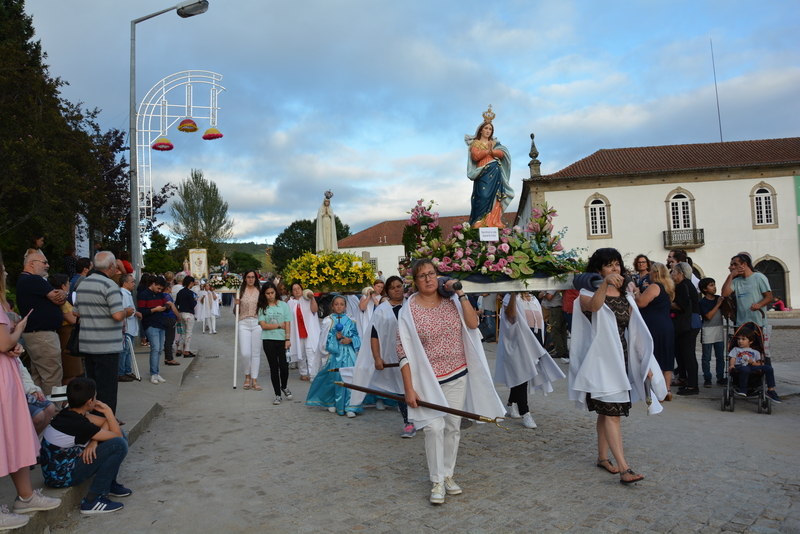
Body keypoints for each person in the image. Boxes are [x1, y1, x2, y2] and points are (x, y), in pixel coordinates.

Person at [396, 259, 504, 504]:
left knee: (453, 427)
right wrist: (409, 388)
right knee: (434, 428)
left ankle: (448, 475)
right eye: (422, 275)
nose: (427, 279)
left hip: (457, 374)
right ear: (414, 281)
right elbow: (402, 351)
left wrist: (461, 293)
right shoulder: (408, 310)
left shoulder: (452, 301)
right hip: (426, 380)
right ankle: (436, 481)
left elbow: (473, 324)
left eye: (431, 273)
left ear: (438, 276)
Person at [569, 248, 666, 485]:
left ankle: (603, 458)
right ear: (599, 269)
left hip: (621, 361)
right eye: (609, 265)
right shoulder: (584, 293)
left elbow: (635, 333)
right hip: (600, 365)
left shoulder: (627, 295)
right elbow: (593, 306)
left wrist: (647, 366)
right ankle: (624, 468)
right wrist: (604, 285)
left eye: (617, 265)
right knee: (613, 415)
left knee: (606, 413)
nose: (615, 269)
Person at [0, 250, 61, 530]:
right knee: (7, 433)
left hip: (9, 374)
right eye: (2, 269)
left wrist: (12, 341)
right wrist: (16, 331)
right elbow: (2, 342)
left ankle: (25, 496)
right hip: (4, 377)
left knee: (14, 434)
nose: (6, 273)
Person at [40, 377, 132, 514]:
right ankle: (92, 500)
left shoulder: (69, 414)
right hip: (61, 477)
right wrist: (108, 411)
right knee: (119, 444)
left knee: (119, 435)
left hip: (58, 470)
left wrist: (94, 441)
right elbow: (116, 434)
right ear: (89, 402)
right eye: (95, 397)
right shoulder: (79, 424)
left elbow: (106, 425)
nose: (96, 400)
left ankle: (109, 483)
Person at [350, 276, 414, 437]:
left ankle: (424, 418)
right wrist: (377, 357)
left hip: (415, 354)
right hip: (394, 355)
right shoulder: (382, 310)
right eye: (392, 287)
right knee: (402, 388)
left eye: (399, 286)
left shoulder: (412, 304)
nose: (396, 289)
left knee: (419, 386)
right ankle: (408, 422)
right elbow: (374, 335)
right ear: (387, 290)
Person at [496, 293, 565, 429]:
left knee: (524, 376)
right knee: (523, 374)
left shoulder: (533, 298)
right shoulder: (510, 297)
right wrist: (514, 294)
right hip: (519, 340)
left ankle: (511, 403)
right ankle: (525, 412)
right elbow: (510, 315)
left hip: (535, 339)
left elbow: (539, 322)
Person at [73, 251, 126, 413]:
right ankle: (107, 423)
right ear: (111, 266)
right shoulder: (110, 286)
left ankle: (94, 418)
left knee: (93, 386)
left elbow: (76, 312)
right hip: (107, 345)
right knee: (107, 389)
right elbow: (117, 315)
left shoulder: (83, 284)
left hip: (88, 344)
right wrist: (127, 312)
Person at [17, 252, 67, 396]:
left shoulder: (25, 280)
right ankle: (54, 414)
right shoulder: (34, 280)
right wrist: (63, 295)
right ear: (32, 263)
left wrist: (62, 294)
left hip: (36, 335)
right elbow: (58, 299)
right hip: (43, 336)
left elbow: (59, 297)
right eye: (44, 262)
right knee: (52, 376)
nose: (47, 265)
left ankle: (40, 411)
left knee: (38, 377)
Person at [306, 295, 362, 417]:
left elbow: (357, 337)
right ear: (332, 306)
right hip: (335, 355)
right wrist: (334, 338)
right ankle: (331, 401)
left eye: (341, 304)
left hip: (348, 355)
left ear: (345, 306)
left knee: (350, 378)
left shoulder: (351, 320)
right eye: (336, 304)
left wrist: (350, 340)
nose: (339, 306)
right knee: (334, 378)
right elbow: (324, 340)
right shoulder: (328, 321)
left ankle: (350, 406)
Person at [635, 262, 675, 400]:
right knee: (666, 356)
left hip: (654, 325)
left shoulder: (655, 286)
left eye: (651, 271)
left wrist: (635, 293)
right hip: (666, 325)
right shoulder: (668, 286)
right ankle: (667, 390)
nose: (649, 274)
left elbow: (641, 303)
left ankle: (655, 390)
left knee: (655, 356)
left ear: (656, 273)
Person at [466, 111, 513, 227]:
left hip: (495, 171)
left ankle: (494, 220)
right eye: (486, 128)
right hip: (482, 172)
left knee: (496, 196)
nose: (488, 131)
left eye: (490, 129)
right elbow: (475, 156)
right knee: (482, 196)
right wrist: (488, 151)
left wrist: (493, 151)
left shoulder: (495, 143)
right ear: (481, 130)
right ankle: (479, 221)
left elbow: (502, 154)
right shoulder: (475, 143)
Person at [257, 282, 293, 403]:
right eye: (267, 293)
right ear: (264, 294)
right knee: (274, 368)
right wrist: (278, 325)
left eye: (272, 292)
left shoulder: (283, 305)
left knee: (284, 367)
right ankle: (277, 394)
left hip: (282, 340)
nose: (270, 295)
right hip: (268, 341)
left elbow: (288, 323)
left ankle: (284, 386)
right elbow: (263, 325)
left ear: (275, 292)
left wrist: (288, 339)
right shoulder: (262, 307)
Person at [728, 328, 781, 403]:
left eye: (743, 339)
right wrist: (732, 365)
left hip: (752, 366)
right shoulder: (736, 349)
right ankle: (743, 389)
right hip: (739, 366)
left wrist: (753, 363)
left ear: (751, 341)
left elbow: (759, 363)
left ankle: (771, 390)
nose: (740, 341)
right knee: (745, 369)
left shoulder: (755, 352)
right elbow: (733, 358)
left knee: (768, 368)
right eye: (739, 339)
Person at [671, 262, 700, 395]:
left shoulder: (683, 286)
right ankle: (685, 379)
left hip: (688, 324)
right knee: (682, 353)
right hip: (690, 323)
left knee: (688, 355)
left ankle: (693, 385)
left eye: (674, 272)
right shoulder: (686, 285)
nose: (672, 275)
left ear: (681, 274)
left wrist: (668, 303)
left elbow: (681, 306)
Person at [721, 254, 772, 328]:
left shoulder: (759, 277)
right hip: (741, 323)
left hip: (757, 322)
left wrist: (759, 304)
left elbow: (769, 297)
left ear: (744, 264)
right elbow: (725, 294)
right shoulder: (736, 281)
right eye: (731, 265)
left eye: (735, 264)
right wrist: (731, 276)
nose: (732, 267)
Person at [137, 275, 169, 385]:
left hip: (160, 323)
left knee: (159, 349)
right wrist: (155, 309)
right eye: (158, 288)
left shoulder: (160, 295)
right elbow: (141, 312)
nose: (159, 291)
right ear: (153, 284)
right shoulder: (143, 295)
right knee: (155, 349)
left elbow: (164, 307)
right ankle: (153, 373)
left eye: (161, 289)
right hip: (150, 324)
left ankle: (156, 372)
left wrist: (166, 306)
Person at [288, 282, 321, 381]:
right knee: (300, 353)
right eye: (294, 289)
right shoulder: (290, 303)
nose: (297, 290)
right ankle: (303, 373)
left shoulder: (307, 300)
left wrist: (312, 298)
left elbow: (314, 310)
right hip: (297, 331)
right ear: (292, 292)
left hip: (309, 330)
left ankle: (312, 374)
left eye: (298, 288)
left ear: (302, 289)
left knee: (310, 351)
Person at [235, 270, 262, 390]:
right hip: (243, 322)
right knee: (245, 353)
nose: (251, 279)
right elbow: (235, 313)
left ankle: (254, 380)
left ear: (255, 279)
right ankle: (247, 376)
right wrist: (236, 304)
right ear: (245, 278)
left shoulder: (259, 292)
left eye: (253, 277)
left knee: (256, 353)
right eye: (248, 277)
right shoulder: (239, 291)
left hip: (257, 323)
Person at [698, 278, 726, 387]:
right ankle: (707, 377)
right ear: (705, 289)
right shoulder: (703, 302)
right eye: (711, 285)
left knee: (720, 356)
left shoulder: (718, 298)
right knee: (707, 357)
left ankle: (720, 376)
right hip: (708, 330)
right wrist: (718, 305)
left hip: (719, 329)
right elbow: (708, 316)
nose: (714, 287)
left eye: (714, 285)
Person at [117, 274, 140, 382]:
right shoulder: (123, 294)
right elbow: (127, 311)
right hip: (126, 327)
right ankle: (121, 372)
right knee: (125, 350)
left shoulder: (128, 294)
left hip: (130, 327)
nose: (134, 284)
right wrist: (135, 313)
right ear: (125, 283)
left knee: (129, 350)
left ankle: (128, 370)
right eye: (132, 282)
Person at [540, 290, 569, 363]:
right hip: (561, 307)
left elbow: (549, 296)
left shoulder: (553, 284)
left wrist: (543, 294)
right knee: (562, 331)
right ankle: (564, 350)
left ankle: (560, 351)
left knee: (554, 330)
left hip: (555, 309)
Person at [175, 276, 197, 358]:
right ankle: (186, 350)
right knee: (188, 332)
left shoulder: (180, 292)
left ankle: (179, 349)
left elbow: (176, 303)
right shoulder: (190, 293)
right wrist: (195, 301)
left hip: (181, 312)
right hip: (188, 313)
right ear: (190, 283)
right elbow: (193, 304)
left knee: (182, 332)